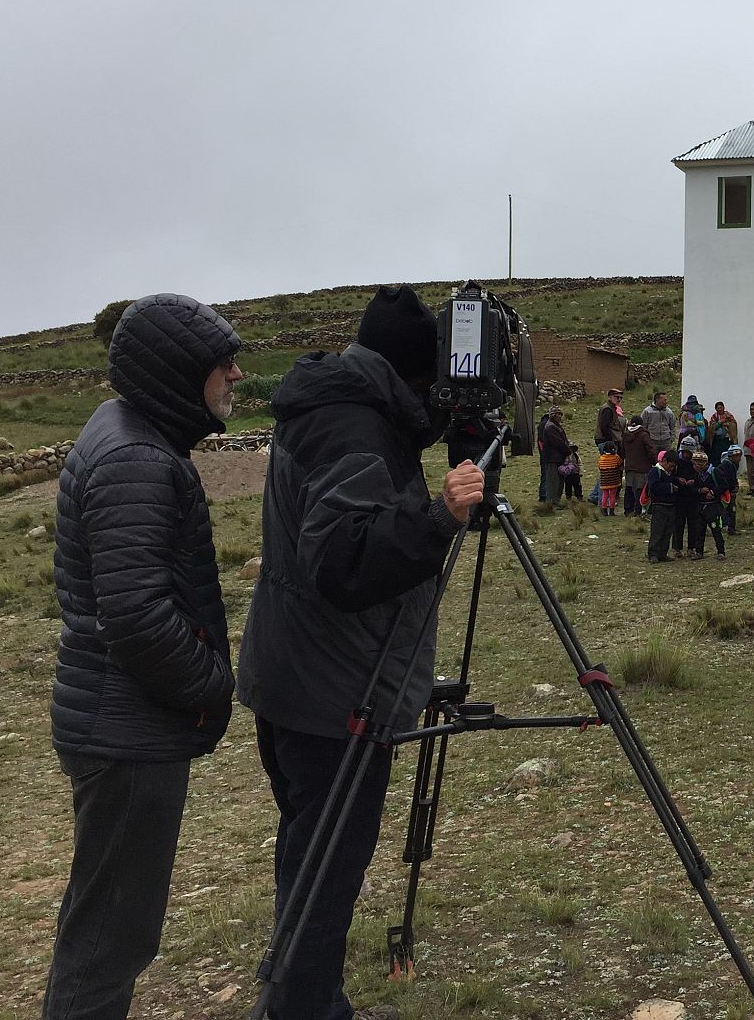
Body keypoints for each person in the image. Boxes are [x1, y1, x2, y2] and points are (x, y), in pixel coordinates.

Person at [236, 284, 485, 1020]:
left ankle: (305, 999)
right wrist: (438, 514)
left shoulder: (331, 407)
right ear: (416, 377)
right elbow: (343, 561)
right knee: (324, 881)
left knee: (308, 866)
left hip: (298, 679)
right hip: (336, 696)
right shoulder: (358, 430)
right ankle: (300, 1007)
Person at [43, 294, 243, 1020]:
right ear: (175, 370)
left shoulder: (132, 435)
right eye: (223, 363)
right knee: (108, 941)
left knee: (103, 926)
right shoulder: (135, 456)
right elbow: (135, 616)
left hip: (116, 724)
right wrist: (213, 686)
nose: (237, 374)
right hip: (125, 734)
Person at [588, 387, 626, 504]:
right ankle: (601, 500)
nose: (619, 399)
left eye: (620, 397)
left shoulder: (611, 408)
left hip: (606, 441)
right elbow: (604, 427)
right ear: (610, 397)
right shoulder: (607, 409)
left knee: (607, 471)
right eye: (616, 397)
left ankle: (595, 495)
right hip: (606, 442)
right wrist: (610, 442)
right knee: (607, 470)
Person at [645, 449, 680, 563]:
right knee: (657, 531)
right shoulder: (655, 472)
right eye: (671, 465)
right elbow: (654, 487)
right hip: (659, 506)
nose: (672, 468)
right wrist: (670, 487)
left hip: (671, 506)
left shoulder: (669, 473)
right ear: (664, 461)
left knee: (667, 531)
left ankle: (662, 553)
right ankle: (653, 554)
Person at [621, 414, 654, 518]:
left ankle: (628, 510)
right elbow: (650, 449)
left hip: (630, 466)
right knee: (640, 490)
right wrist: (653, 461)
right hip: (642, 467)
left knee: (629, 489)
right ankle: (638, 511)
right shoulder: (643, 434)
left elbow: (622, 451)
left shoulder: (626, 435)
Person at [539, 408, 573, 506]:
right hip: (552, 458)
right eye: (558, 414)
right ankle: (552, 502)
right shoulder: (550, 427)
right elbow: (558, 442)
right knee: (553, 481)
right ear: (553, 415)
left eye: (560, 414)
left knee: (559, 480)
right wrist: (567, 450)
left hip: (558, 457)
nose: (560, 416)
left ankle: (556, 500)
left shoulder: (555, 426)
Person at [717, 446, 743, 534]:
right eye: (738, 456)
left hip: (726, 491)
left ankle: (726, 526)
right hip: (727, 493)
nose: (740, 458)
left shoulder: (729, 465)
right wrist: (732, 489)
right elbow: (729, 480)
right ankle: (730, 528)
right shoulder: (728, 465)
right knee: (730, 510)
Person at [597, 441, 623, 516]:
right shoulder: (616, 457)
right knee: (612, 495)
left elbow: (599, 467)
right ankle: (612, 511)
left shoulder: (601, 458)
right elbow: (620, 464)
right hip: (614, 480)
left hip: (604, 480)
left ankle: (604, 511)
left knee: (605, 495)